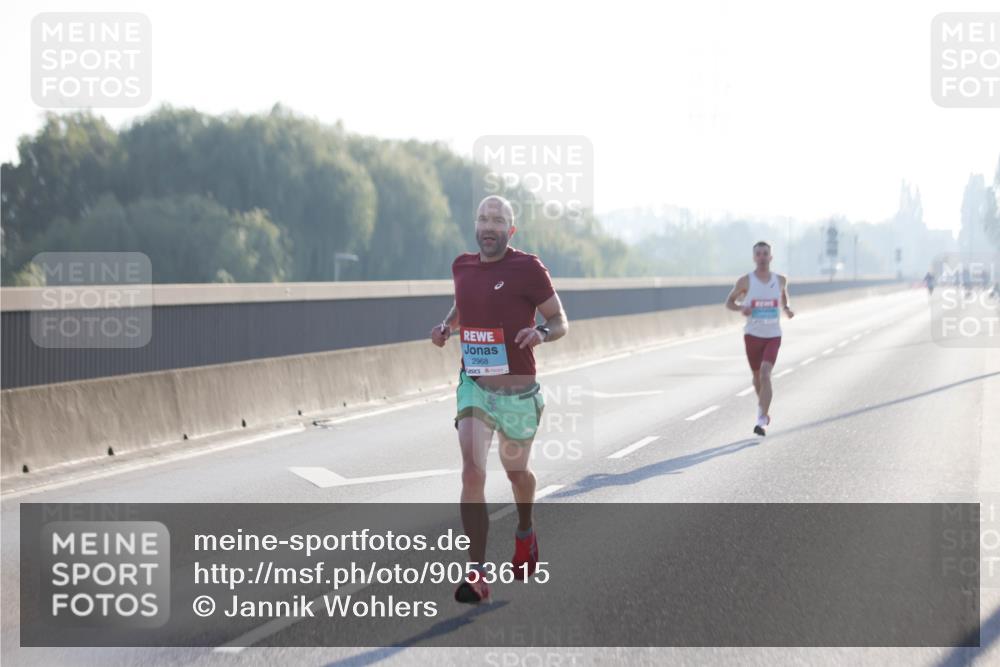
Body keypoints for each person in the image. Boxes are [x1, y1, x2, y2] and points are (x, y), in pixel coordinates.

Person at [430, 195, 568, 603]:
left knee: (516, 474)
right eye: (483, 218)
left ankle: (525, 529)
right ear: (475, 226)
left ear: (511, 230)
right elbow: (463, 304)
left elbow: (560, 320)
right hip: (474, 384)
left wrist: (541, 333)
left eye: (498, 220)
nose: (489, 226)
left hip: (517, 390)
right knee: (472, 472)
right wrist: (445, 326)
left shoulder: (528, 268)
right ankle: (476, 572)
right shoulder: (462, 266)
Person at [725, 241, 794, 436]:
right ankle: (764, 408)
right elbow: (729, 302)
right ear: (754, 258)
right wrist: (741, 308)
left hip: (773, 335)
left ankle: (761, 420)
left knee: (765, 374)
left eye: (766, 254)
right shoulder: (745, 281)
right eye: (759, 254)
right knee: (757, 378)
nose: (762, 257)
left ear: (771, 257)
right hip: (752, 335)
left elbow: (783, 295)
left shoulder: (780, 279)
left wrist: (786, 308)